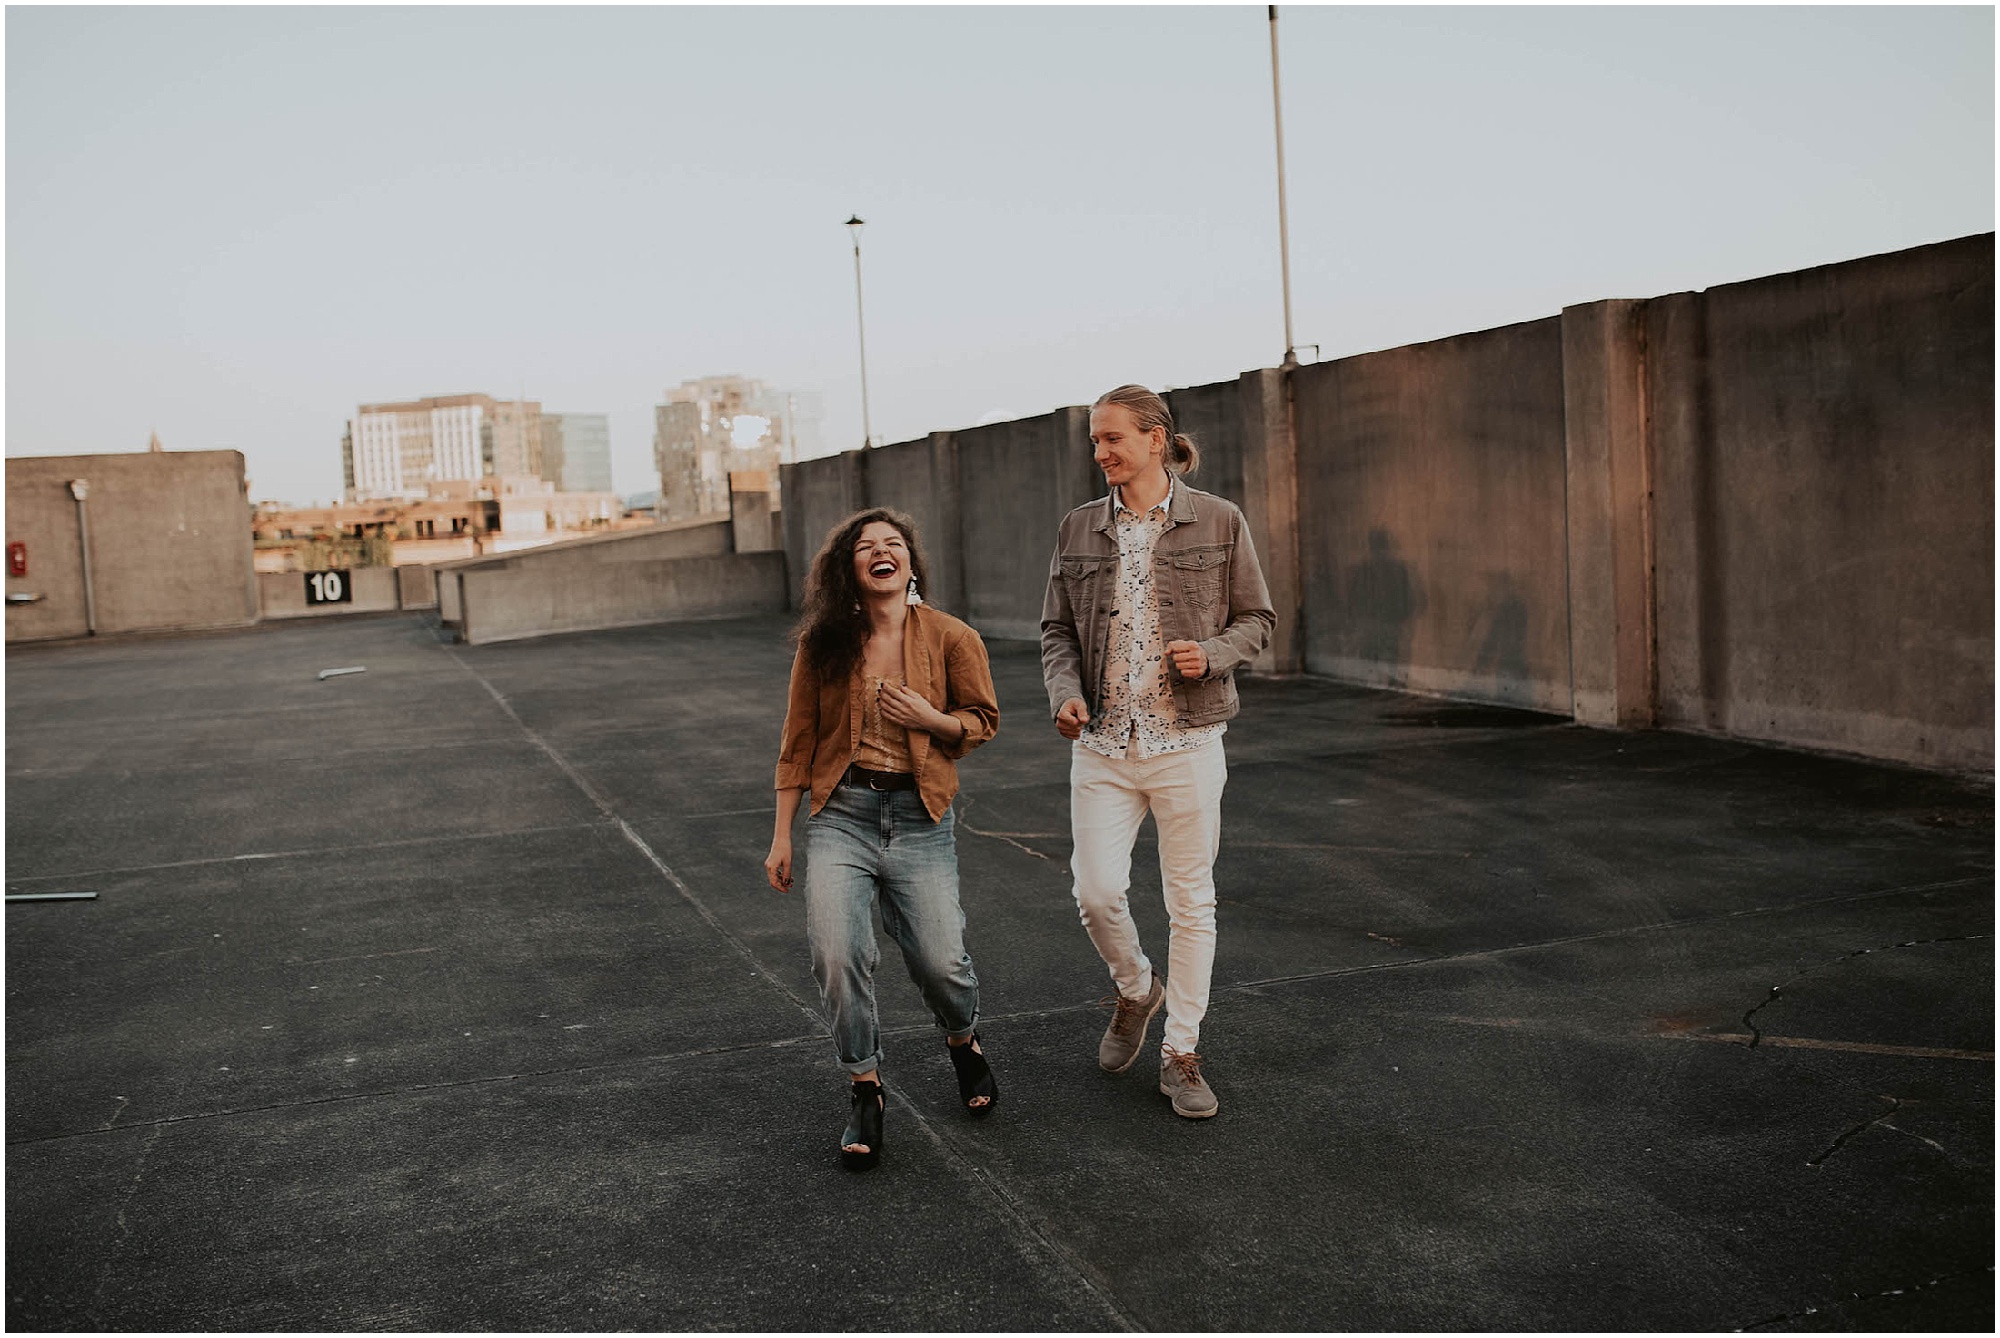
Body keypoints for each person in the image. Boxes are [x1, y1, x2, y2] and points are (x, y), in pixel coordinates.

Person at [1040, 384, 1274, 1119]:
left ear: (1154, 439)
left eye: (1112, 438)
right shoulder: (1079, 528)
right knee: (1096, 892)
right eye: (1094, 441)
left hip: (1187, 742)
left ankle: (1181, 1052)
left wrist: (1212, 652)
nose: (1101, 451)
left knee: (1191, 902)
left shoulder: (1219, 519)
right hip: (1104, 744)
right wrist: (1063, 693)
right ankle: (1138, 990)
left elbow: (1257, 619)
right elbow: (1055, 633)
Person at [767, 507, 1002, 1170]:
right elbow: (798, 743)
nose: (880, 552)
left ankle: (963, 1041)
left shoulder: (953, 637)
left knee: (940, 960)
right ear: (850, 567)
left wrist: (931, 717)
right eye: (866, 547)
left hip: (920, 817)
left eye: (892, 544)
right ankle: (865, 1087)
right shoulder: (824, 645)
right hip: (842, 815)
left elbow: (982, 721)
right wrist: (782, 835)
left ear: (909, 563)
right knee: (839, 954)